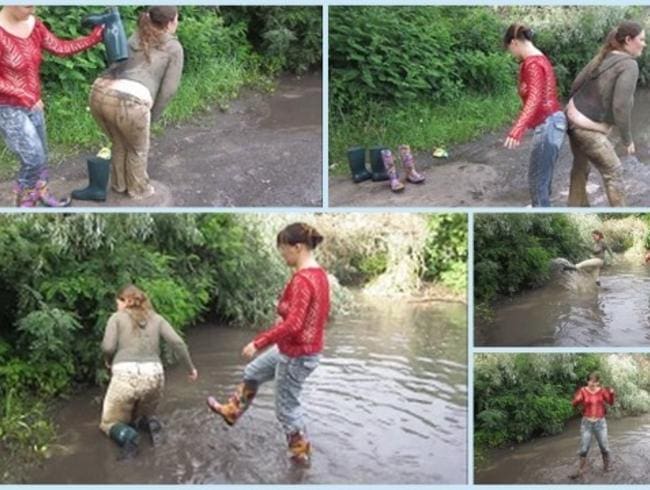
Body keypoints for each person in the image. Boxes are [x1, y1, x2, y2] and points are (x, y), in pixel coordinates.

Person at [206, 223, 330, 465]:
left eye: (284, 250)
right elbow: (314, 314)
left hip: (296, 354)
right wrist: (285, 314)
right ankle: (232, 411)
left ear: (298, 247)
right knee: (252, 371)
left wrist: (259, 341)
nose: (282, 255)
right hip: (295, 348)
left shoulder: (303, 280)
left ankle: (300, 459)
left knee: (286, 409)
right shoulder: (319, 275)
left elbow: (294, 324)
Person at [0, 6, 104, 207]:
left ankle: (42, 192)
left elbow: (60, 47)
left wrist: (94, 38)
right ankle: (25, 203)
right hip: (8, 108)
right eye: (27, 6)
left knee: (43, 156)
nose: (33, 9)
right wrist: (25, 95)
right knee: (33, 159)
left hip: (33, 104)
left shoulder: (34, 25)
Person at [88, 6, 183, 200]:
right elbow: (169, 90)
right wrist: (152, 117)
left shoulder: (137, 35)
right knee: (137, 149)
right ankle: (138, 190)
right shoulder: (174, 48)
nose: (178, 23)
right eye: (177, 19)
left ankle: (119, 185)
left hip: (99, 91)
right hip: (131, 101)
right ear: (171, 22)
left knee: (120, 142)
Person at [100, 284, 198, 459]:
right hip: (155, 375)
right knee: (142, 414)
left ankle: (129, 438)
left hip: (125, 374)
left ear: (124, 301)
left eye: (118, 302)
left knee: (109, 423)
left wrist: (107, 361)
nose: (117, 306)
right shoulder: (157, 318)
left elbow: (108, 346)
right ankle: (150, 424)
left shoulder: (116, 318)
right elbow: (178, 343)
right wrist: (191, 369)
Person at [567, 21, 646, 207]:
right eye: (642, 39)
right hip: (586, 129)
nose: (644, 44)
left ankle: (576, 207)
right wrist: (627, 139)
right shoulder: (629, 65)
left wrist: (574, 111)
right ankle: (622, 217)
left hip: (573, 120)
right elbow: (621, 106)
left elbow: (576, 84)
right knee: (614, 172)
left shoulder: (605, 56)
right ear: (628, 40)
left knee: (580, 167)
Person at [503, 23, 566, 207]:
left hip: (549, 124)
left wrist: (517, 129)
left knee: (537, 180)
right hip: (553, 123)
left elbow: (535, 99)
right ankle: (541, 207)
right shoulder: (540, 58)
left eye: (509, 49)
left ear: (514, 42)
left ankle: (541, 210)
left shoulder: (532, 64)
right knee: (542, 179)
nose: (512, 54)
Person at [570, 372, 615, 479]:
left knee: (604, 447)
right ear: (587, 381)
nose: (592, 383)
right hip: (587, 424)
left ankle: (606, 468)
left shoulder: (602, 391)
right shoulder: (583, 391)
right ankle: (580, 471)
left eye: (595, 381)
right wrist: (576, 400)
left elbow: (610, 402)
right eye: (590, 380)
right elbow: (574, 403)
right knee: (584, 448)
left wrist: (612, 394)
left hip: (600, 423)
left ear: (598, 382)